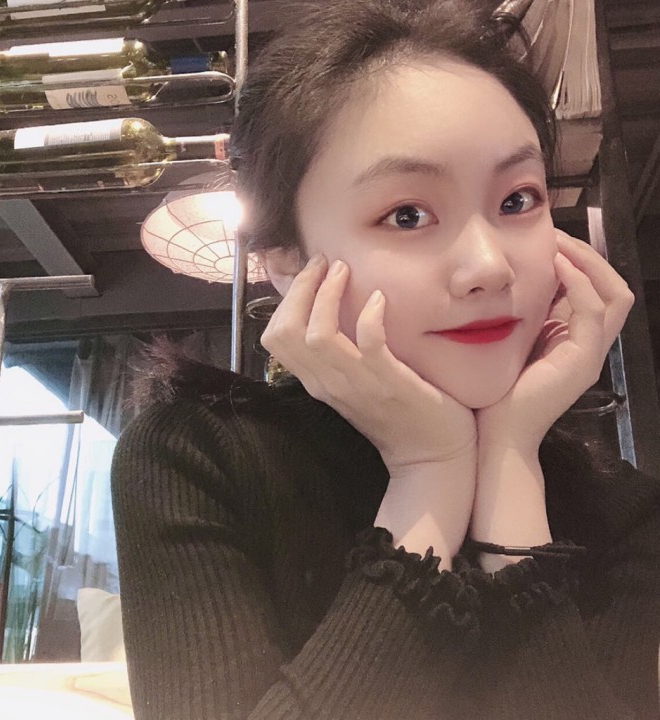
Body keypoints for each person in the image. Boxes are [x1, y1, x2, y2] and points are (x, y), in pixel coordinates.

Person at [111, 1, 660, 718]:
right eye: (408, 215)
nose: (490, 266)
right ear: (287, 258)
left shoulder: (623, 509)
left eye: (518, 200)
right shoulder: (194, 459)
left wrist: (508, 468)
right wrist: (429, 474)